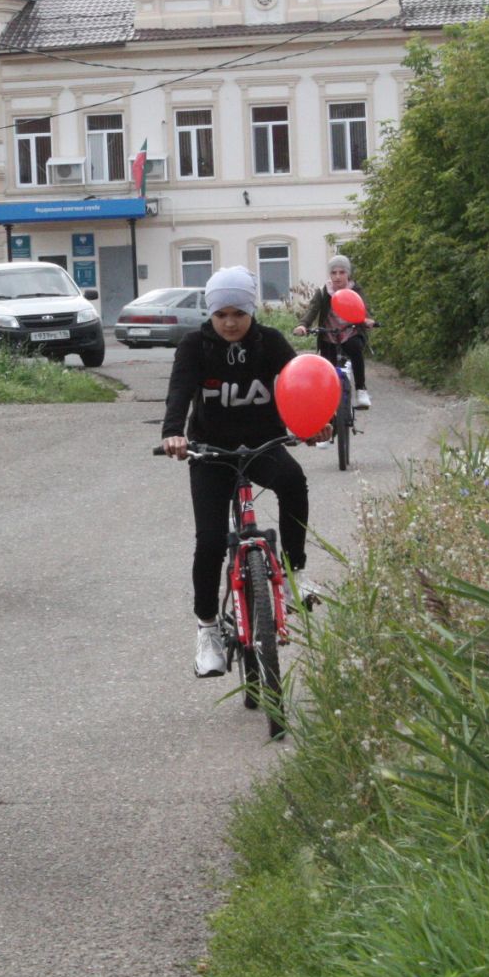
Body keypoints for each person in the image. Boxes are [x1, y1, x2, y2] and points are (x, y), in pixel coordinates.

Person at [161, 266, 326, 677]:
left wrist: (312, 425)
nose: (230, 322)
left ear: (252, 310)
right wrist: (173, 435)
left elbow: (299, 381)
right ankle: (208, 629)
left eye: (238, 313)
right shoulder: (194, 346)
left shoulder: (269, 342)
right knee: (211, 541)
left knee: (293, 481)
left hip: (261, 445)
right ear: (211, 315)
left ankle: (292, 575)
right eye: (221, 315)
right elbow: (179, 392)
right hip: (209, 452)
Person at [294, 253, 373, 409]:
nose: (337, 277)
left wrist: (367, 319)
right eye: (333, 272)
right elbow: (312, 310)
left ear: (348, 274)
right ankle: (329, 407)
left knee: (355, 349)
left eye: (342, 272)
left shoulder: (355, 290)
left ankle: (361, 390)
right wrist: (303, 325)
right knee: (327, 370)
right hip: (329, 335)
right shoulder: (324, 292)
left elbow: (364, 308)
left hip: (350, 332)